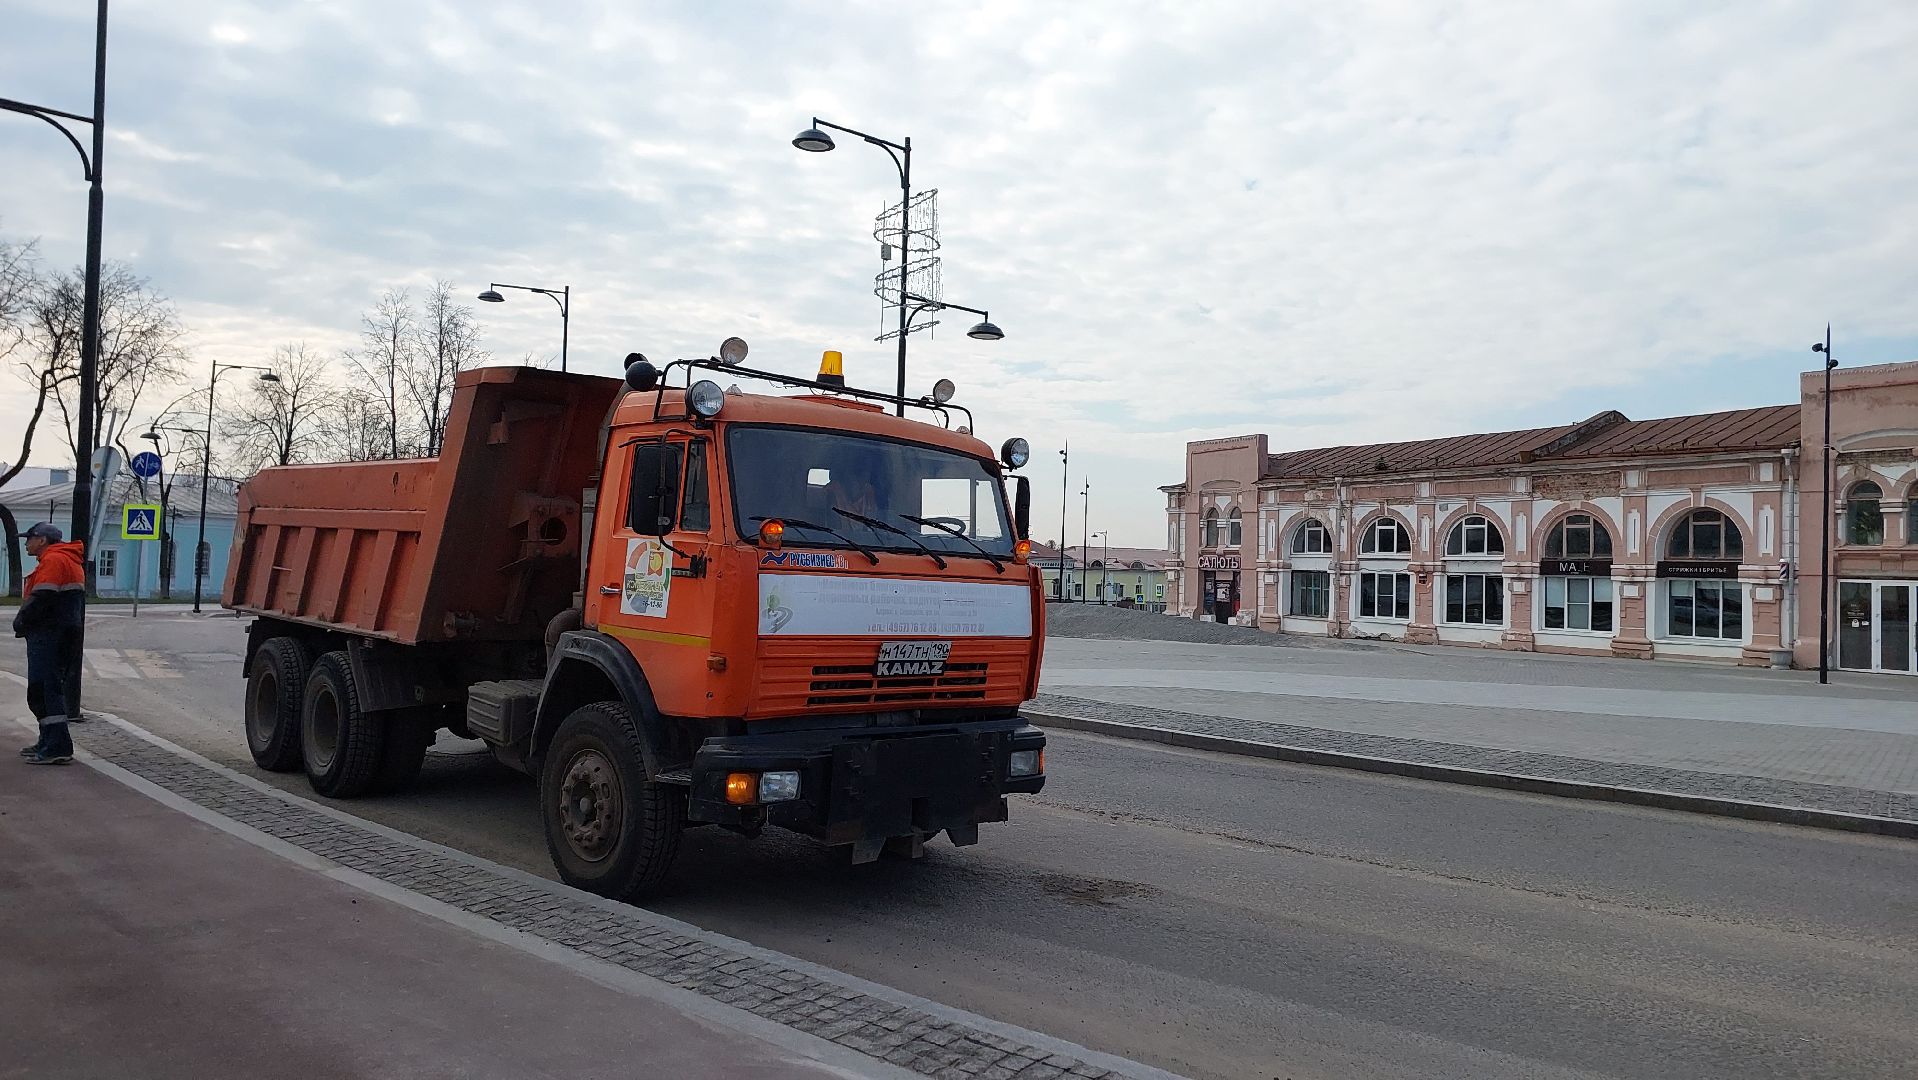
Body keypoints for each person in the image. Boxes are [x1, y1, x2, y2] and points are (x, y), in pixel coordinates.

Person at [14, 522, 85, 764]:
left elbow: (43, 597)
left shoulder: (54, 561)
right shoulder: (64, 559)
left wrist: (21, 620)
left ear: (42, 540)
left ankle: (57, 746)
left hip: (50, 634)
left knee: (45, 689)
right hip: (57, 633)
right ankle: (48, 740)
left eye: (30, 538)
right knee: (42, 689)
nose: (26, 542)